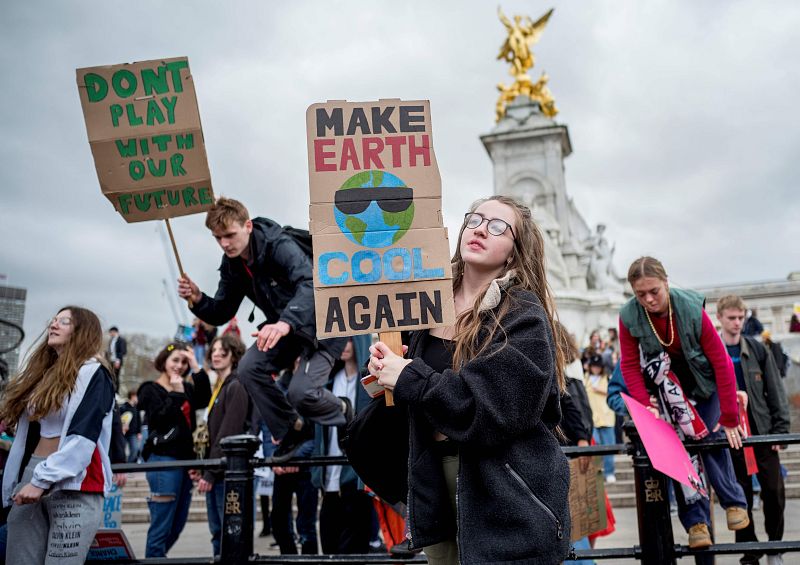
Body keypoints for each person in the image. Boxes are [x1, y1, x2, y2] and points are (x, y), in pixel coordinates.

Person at [367, 195, 571, 564]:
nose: (480, 229)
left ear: (513, 251)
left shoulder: (523, 314)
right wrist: (387, 365)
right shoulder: (426, 301)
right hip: (434, 479)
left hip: (503, 486)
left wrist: (411, 377)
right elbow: (413, 383)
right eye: (475, 219)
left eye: (497, 227)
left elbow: (493, 408)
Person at [177, 197, 350, 461]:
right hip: (285, 331)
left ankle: (343, 409)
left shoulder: (279, 245)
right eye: (217, 238)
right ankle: (293, 429)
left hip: (322, 327)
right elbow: (223, 311)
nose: (224, 244)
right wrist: (198, 299)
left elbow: (309, 282)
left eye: (230, 235)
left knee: (300, 392)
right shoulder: (232, 265)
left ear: (247, 226)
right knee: (248, 367)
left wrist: (284, 322)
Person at [619, 256, 749, 550]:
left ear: (666, 283)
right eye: (641, 294)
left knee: (714, 436)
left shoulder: (691, 307)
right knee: (678, 452)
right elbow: (628, 364)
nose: (649, 300)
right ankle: (696, 523)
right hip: (668, 390)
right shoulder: (628, 315)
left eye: (655, 291)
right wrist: (645, 404)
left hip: (705, 386)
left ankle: (734, 503)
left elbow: (722, 363)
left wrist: (729, 416)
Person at [1, 306, 115, 565]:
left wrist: (41, 481)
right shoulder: (42, 374)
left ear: (82, 331)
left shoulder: (94, 373)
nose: (53, 324)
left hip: (76, 483)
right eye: (53, 320)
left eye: (64, 321)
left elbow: (84, 437)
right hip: (31, 474)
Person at [717, 295, 789, 565]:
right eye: (732, 318)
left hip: (761, 431)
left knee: (773, 491)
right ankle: (750, 551)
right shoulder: (714, 351)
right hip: (730, 435)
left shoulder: (759, 350)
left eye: (740, 318)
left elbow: (776, 391)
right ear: (720, 318)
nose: (737, 323)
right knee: (739, 496)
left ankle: (775, 547)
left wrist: (780, 431)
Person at [137, 342, 210, 558]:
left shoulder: (187, 387)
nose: (179, 366)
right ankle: (155, 560)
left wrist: (197, 367)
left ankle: (157, 558)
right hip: (162, 461)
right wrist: (176, 394)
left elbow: (204, 398)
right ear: (164, 361)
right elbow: (158, 418)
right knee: (161, 526)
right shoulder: (149, 389)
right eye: (175, 360)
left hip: (185, 462)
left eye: (184, 362)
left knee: (177, 525)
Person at [312, 336, 373, 556]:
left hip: (357, 479)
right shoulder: (328, 380)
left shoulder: (368, 382)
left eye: (347, 340)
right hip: (329, 476)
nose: (342, 346)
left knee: (355, 547)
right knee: (328, 545)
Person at [191, 334, 249, 557]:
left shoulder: (235, 385)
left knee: (226, 532)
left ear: (233, 355)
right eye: (213, 350)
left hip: (225, 474)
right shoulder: (223, 386)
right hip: (217, 471)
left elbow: (228, 432)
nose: (216, 354)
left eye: (222, 351)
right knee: (218, 532)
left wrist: (211, 472)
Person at [584, 354, 616, 483]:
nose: (596, 369)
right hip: (591, 419)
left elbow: (616, 393)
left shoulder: (608, 378)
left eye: (598, 367)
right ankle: (596, 472)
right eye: (594, 366)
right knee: (594, 445)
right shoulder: (584, 379)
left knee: (609, 447)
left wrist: (601, 390)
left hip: (607, 418)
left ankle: (609, 472)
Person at [120, 389, 142, 463]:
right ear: (132, 396)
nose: (137, 398)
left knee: (135, 449)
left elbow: (139, 421)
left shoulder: (136, 408)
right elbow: (120, 419)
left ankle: (129, 465)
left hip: (133, 433)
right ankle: (122, 466)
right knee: (121, 450)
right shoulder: (123, 407)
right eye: (136, 396)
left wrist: (139, 432)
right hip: (124, 433)